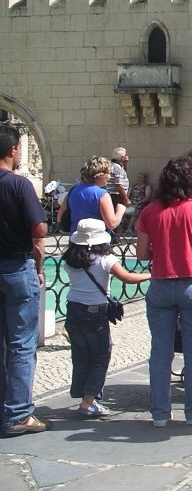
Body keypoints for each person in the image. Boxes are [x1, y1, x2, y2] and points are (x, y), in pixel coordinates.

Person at [136, 157, 192, 427]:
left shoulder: (149, 212)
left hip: (160, 283)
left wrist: (160, 250)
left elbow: (141, 253)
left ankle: (160, 413)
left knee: (160, 352)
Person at [62, 218, 150, 417]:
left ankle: (81, 393)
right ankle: (88, 402)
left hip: (73, 310)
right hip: (95, 312)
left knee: (81, 355)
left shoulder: (69, 259)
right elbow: (127, 278)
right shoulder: (105, 259)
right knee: (101, 356)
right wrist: (150, 275)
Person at [0, 124, 49, 436]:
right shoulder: (19, 185)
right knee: (20, 343)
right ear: (13, 150)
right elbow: (40, 230)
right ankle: (18, 413)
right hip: (16, 267)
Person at [59, 156, 127, 234]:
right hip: (97, 240)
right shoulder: (102, 194)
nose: (110, 176)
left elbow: (59, 217)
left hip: (76, 239)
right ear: (101, 175)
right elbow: (112, 224)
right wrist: (120, 210)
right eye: (108, 173)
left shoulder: (73, 190)